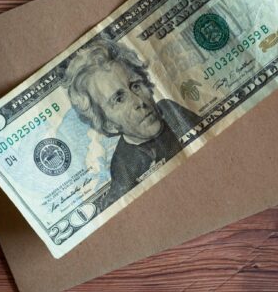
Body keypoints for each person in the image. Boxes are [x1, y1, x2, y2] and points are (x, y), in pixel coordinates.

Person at [63, 39, 198, 204]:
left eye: (135, 86)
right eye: (119, 99)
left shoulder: (170, 110)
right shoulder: (122, 166)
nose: (139, 102)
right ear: (108, 125)